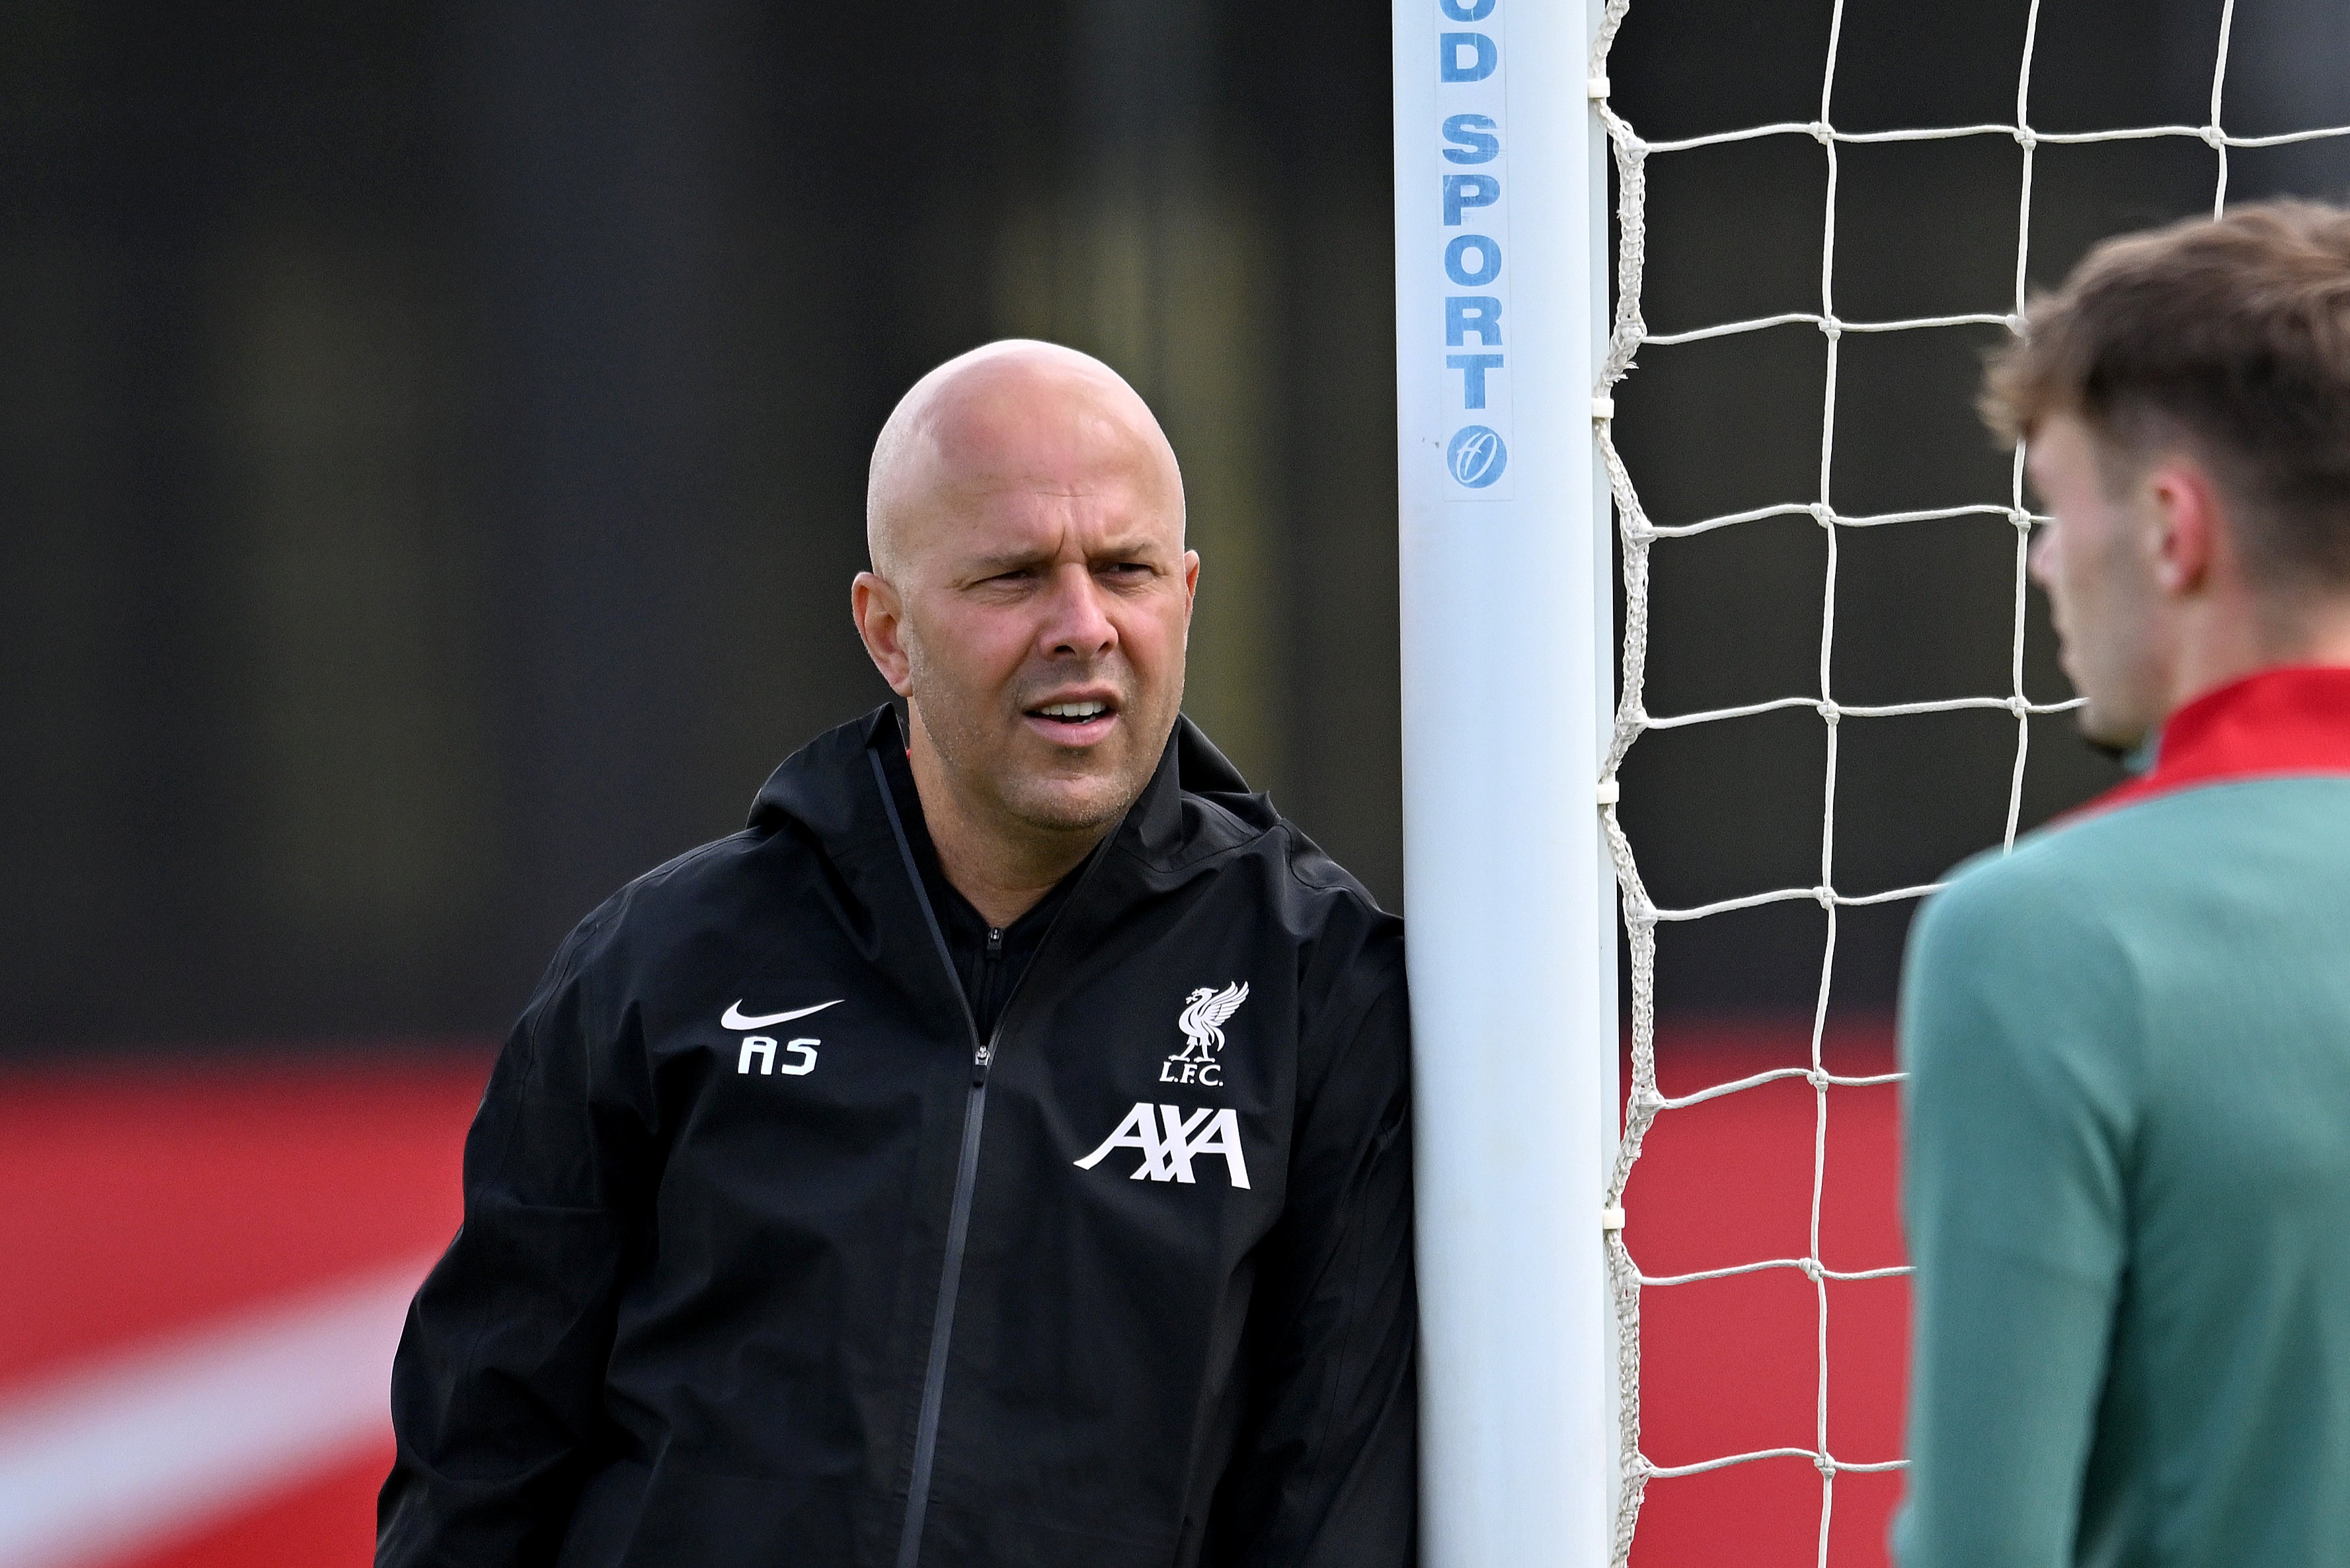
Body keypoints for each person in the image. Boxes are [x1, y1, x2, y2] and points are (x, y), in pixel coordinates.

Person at [377, 341, 1416, 1567]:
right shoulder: (658, 970)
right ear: (888, 630)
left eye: (1125, 570)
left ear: (1185, 593)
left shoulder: (1319, 991)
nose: (1082, 626)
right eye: (1015, 576)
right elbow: (476, 1479)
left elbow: (1328, 1512)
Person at [1895, 200, 2350, 1566]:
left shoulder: (2040, 938)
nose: (2041, 561)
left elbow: (1986, 1545)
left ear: (2168, 529)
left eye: (2050, 505)